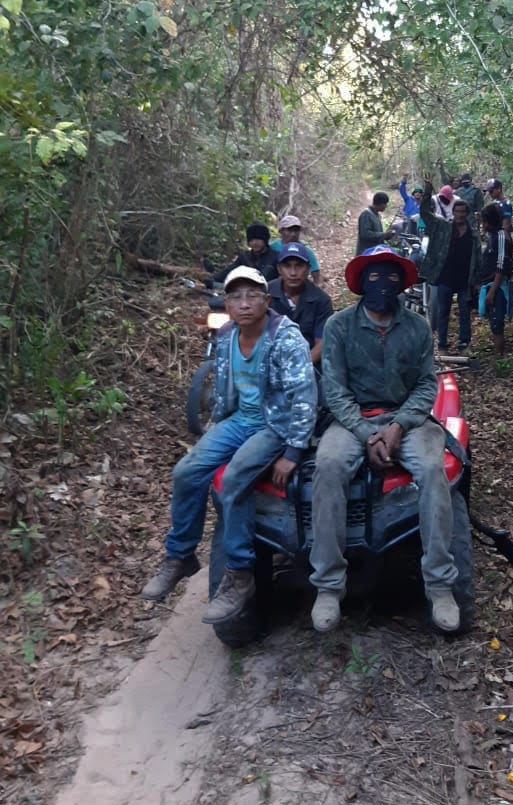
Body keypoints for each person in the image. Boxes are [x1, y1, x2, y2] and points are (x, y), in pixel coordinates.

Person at [141, 267, 317, 621]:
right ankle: (180, 556)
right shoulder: (225, 336)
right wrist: (216, 428)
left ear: (267, 300)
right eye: (235, 296)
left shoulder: (286, 338)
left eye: (253, 295)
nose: (244, 303)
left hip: (274, 424)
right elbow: (225, 391)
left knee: (235, 480)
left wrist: (294, 451)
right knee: (187, 472)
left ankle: (240, 573)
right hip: (238, 421)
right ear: (227, 302)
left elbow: (304, 396)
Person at [309, 246, 460, 634]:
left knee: (432, 470)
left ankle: (440, 584)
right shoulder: (339, 327)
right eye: (374, 276)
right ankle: (328, 584)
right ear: (361, 282)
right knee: (326, 467)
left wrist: (399, 427)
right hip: (352, 418)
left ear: (402, 283)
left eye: (391, 276)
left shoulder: (417, 327)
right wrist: (365, 431)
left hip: (407, 420)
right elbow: (336, 389)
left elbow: (427, 384)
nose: (383, 284)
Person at [420, 180, 480, 353]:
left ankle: (464, 344)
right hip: (445, 276)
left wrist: (476, 281)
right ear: (453, 212)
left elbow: (478, 260)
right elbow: (425, 214)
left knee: (464, 313)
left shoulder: (473, 235)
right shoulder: (443, 227)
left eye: (463, 212)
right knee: (443, 312)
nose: (460, 214)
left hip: (464, 280)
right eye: (457, 211)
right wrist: (427, 193)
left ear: (467, 214)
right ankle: (442, 344)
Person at [267, 241, 333, 373]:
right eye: (287, 266)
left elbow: (321, 344)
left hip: (308, 365)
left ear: (308, 269)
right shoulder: (265, 294)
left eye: (299, 266)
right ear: (279, 269)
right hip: (268, 362)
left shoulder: (321, 300)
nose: (293, 273)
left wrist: (298, 367)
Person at [479, 203, 513, 356]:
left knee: (497, 322)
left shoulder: (500, 236)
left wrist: (493, 291)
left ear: (488, 222)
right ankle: (499, 355)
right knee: (494, 322)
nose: (482, 225)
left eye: (483, 221)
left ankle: (501, 358)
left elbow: (501, 265)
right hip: (489, 284)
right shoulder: (492, 236)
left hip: (498, 287)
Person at [207, 222, 279, 285]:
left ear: (265, 240)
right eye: (251, 240)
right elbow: (229, 270)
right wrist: (213, 279)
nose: (254, 243)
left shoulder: (276, 257)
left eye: (258, 239)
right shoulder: (245, 257)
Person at [270, 214, 322, 285]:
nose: (293, 234)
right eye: (289, 230)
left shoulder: (306, 249)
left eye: (296, 231)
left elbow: (316, 273)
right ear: (281, 231)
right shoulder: (272, 247)